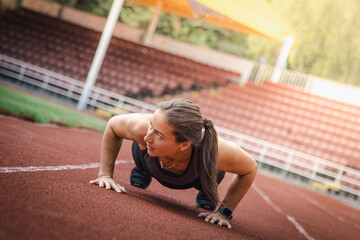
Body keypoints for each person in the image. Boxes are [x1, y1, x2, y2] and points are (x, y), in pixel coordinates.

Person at [90, 98, 257, 229]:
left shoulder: (218, 150)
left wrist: (224, 212)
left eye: (159, 134)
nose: (148, 136)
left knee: (212, 170)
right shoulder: (144, 129)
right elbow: (112, 125)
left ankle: (207, 191)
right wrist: (105, 174)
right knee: (143, 143)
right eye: (151, 126)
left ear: (184, 144)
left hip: (198, 176)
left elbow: (250, 169)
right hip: (148, 162)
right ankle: (143, 170)